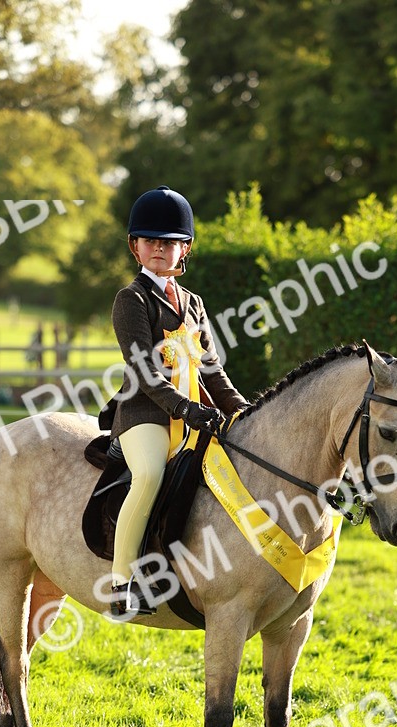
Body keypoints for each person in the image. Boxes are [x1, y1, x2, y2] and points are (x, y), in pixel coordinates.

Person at [105, 185, 249, 619]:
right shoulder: (131, 300)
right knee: (149, 474)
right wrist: (187, 410)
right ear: (135, 246)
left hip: (193, 415)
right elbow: (144, 373)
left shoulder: (194, 304)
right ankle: (121, 582)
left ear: (184, 248)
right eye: (150, 241)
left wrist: (242, 409)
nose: (159, 249)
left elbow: (211, 369)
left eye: (169, 242)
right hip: (144, 414)